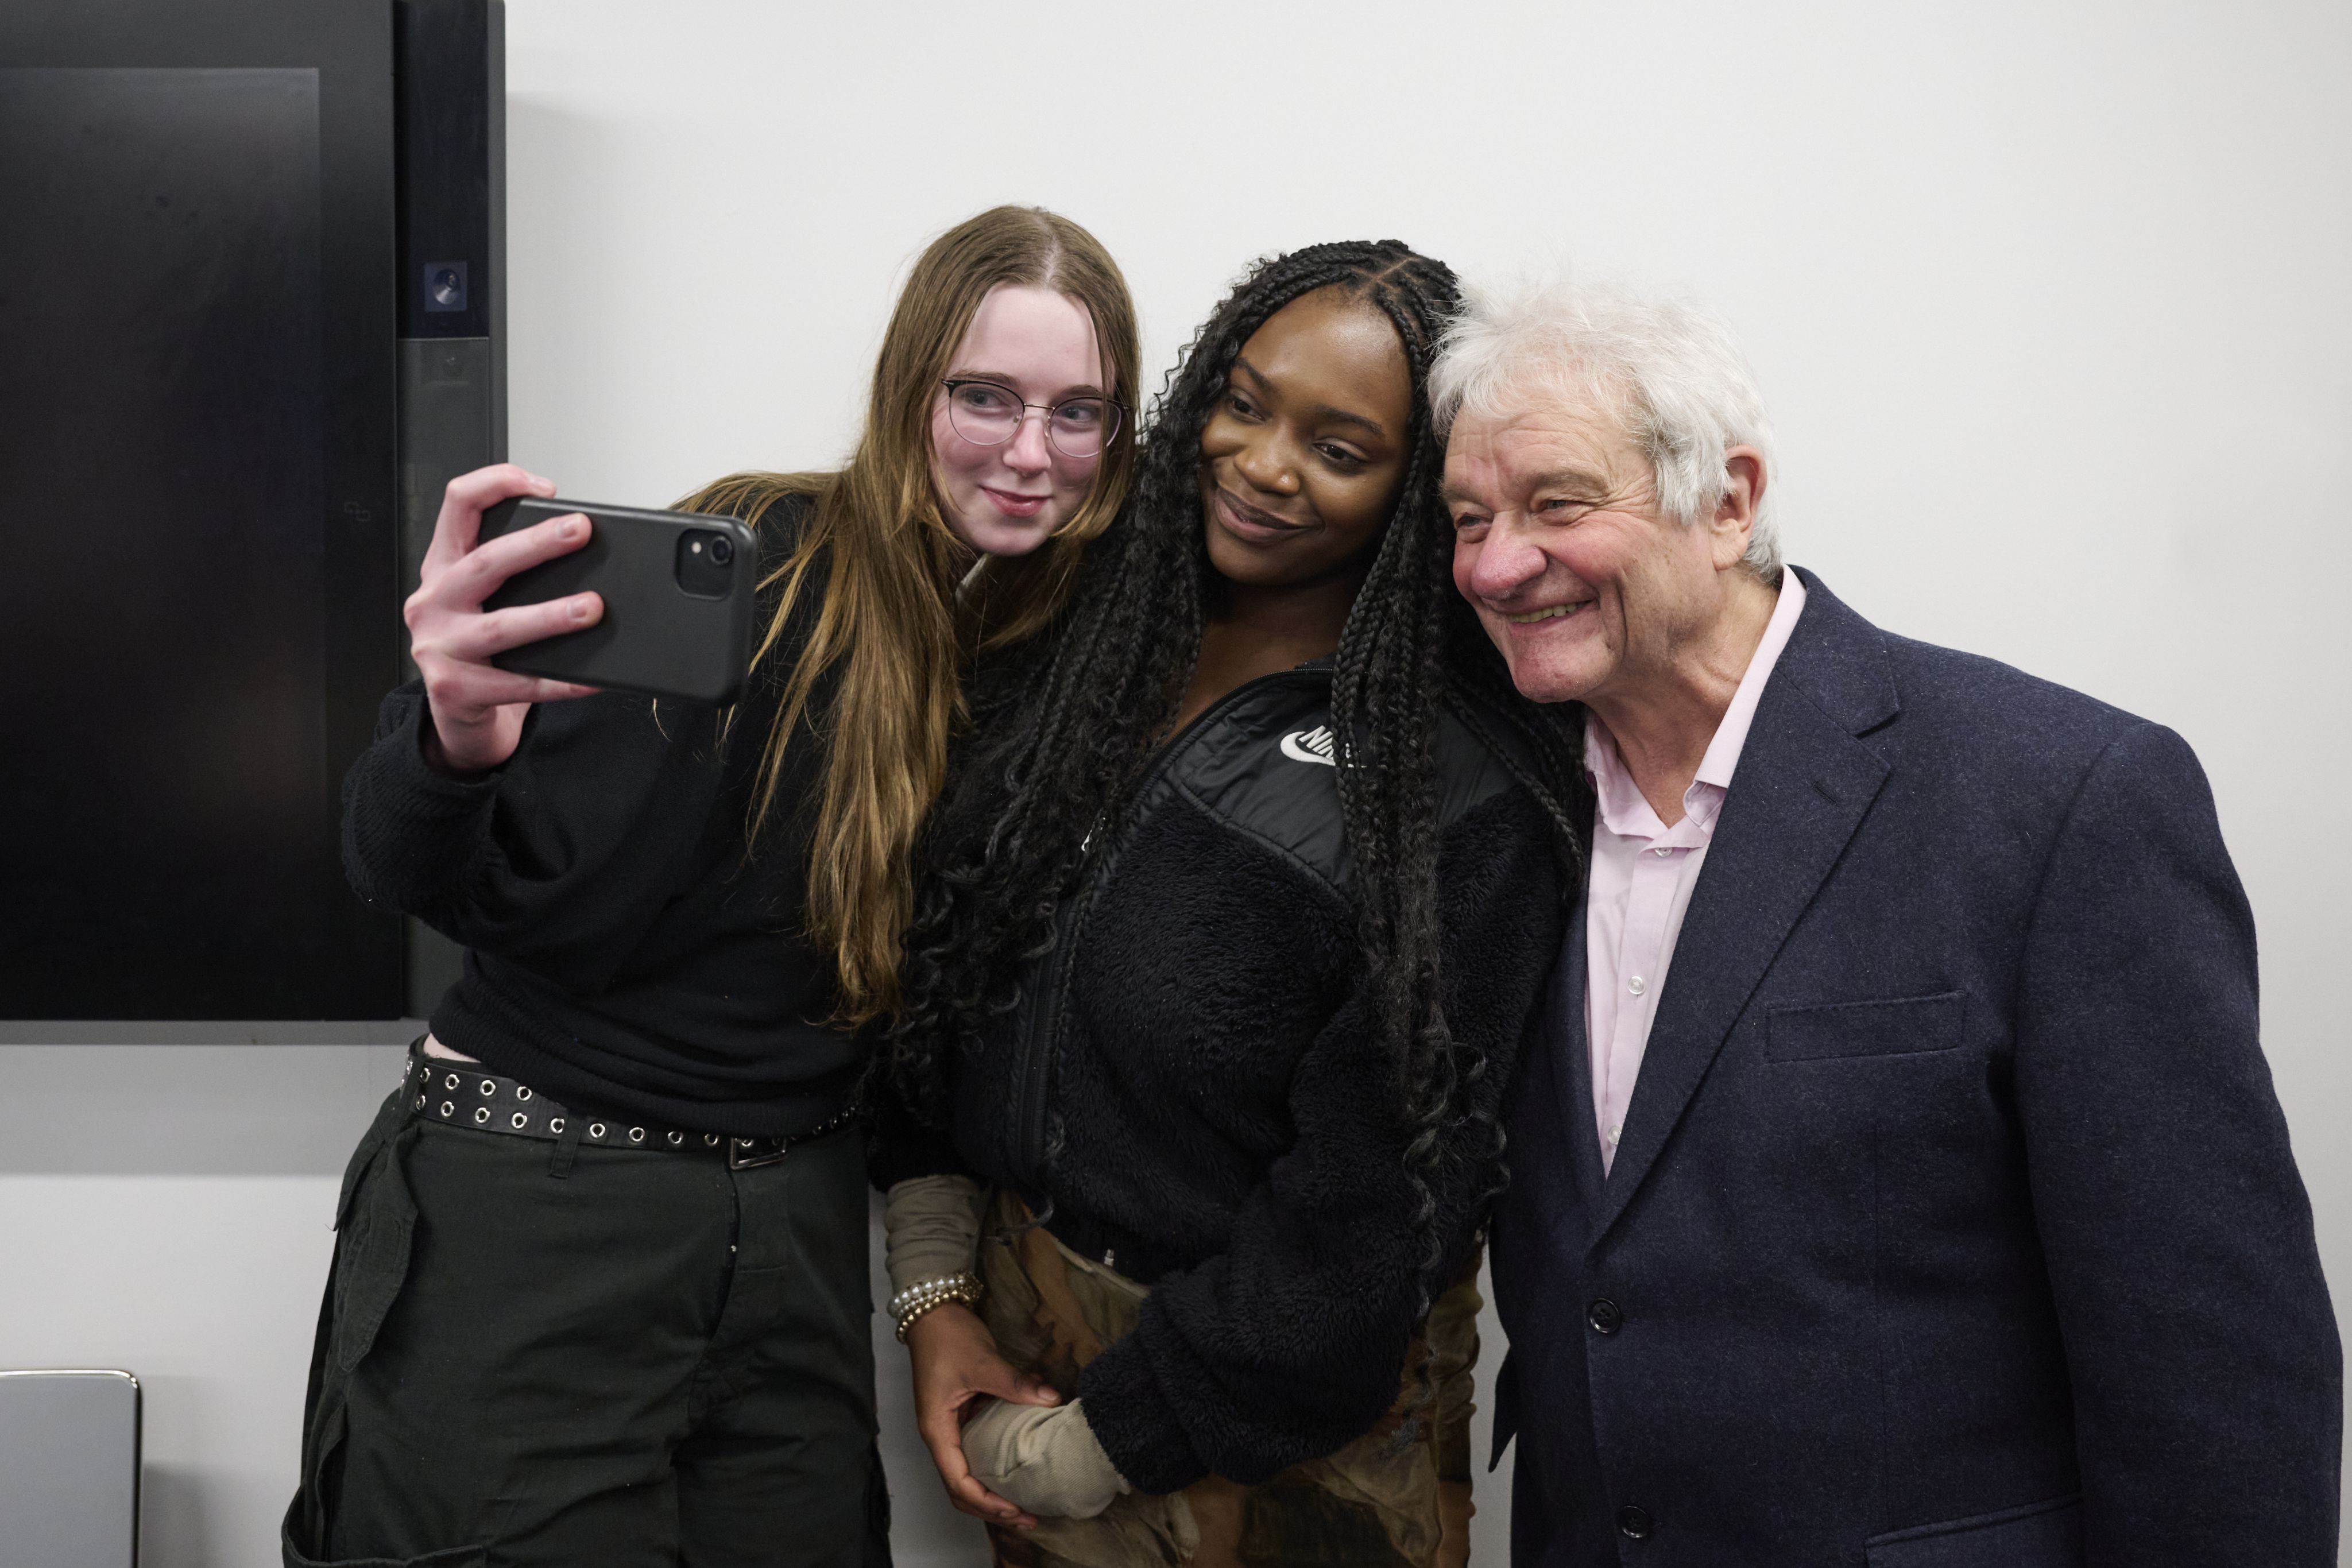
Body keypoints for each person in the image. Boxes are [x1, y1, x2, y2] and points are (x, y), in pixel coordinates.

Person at [1432, 272, 2342, 1566]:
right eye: (1467, 519)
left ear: (1727, 498)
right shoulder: (1495, 817)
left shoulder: (2058, 801)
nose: (1494, 564)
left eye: (1553, 505)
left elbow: (2214, 1372)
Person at [285, 205, 1143, 1568]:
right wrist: (450, 731)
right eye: (985, 397)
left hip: (792, 1225)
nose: (1032, 453)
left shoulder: (1050, 651)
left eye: (1079, 411)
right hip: (549, 1198)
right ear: (910, 386)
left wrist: (929, 1288)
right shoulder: (763, 568)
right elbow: (416, 873)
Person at [876, 241, 1588, 1568]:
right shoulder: (1082, 638)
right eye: (1245, 402)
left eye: (1338, 445)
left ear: (1413, 489)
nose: (1261, 462)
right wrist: (935, 1290)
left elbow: (1370, 1215)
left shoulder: (1456, 784)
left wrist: (1105, 1441)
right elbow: (940, 973)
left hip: (1273, 1435)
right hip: (1022, 1349)